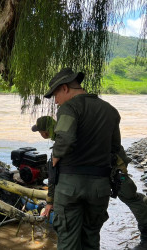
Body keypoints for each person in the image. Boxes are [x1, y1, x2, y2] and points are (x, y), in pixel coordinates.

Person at [34, 116, 147, 249]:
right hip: (104, 175)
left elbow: (54, 177)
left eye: (40, 132)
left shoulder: (63, 142)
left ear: (45, 132)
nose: (41, 135)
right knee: (133, 200)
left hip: (112, 174)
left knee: (134, 200)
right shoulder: (74, 131)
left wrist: (50, 202)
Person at [43, 68, 121, 250]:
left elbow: (66, 139)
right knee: (91, 239)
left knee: (68, 240)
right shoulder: (111, 111)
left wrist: (56, 155)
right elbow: (115, 149)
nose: (55, 101)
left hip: (71, 186)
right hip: (100, 188)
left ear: (64, 88)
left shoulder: (69, 108)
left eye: (55, 95)